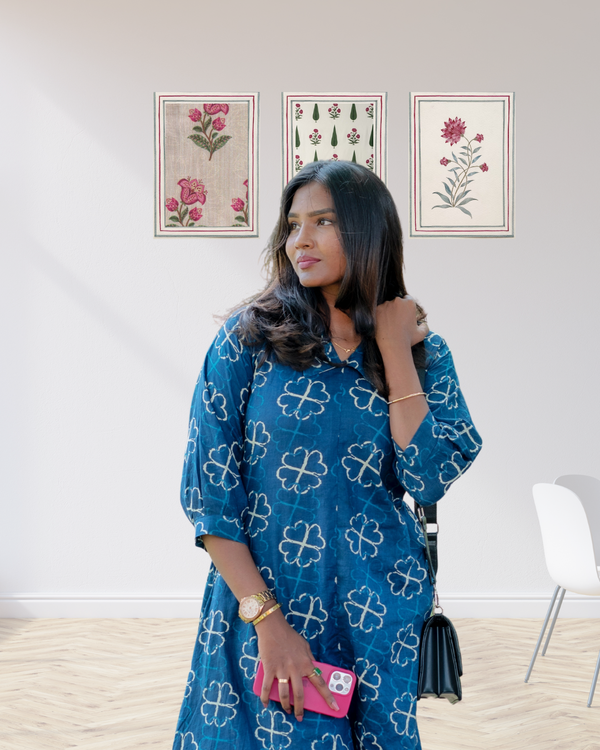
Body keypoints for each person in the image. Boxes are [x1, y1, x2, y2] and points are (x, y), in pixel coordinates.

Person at [173, 160, 482, 750]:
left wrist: (393, 348)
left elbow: (428, 477)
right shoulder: (248, 341)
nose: (301, 241)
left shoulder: (423, 351)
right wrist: (268, 622)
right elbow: (210, 499)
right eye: (293, 225)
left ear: (368, 232)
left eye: (323, 222)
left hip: (379, 614)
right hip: (269, 609)